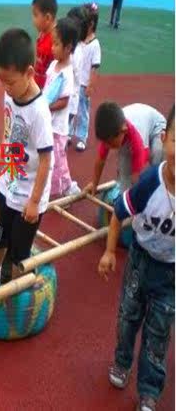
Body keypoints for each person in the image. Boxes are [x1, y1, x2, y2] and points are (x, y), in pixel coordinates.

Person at [98, 105, 174, 411]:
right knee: (128, 316)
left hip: (170, 273)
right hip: (140, 259)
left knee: (159, 331)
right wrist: (108, 251)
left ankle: (149, 390)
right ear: (165, 139)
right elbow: (118, 213)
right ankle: (122, 361)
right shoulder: (150, 182)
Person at [0, 28, 54, 285]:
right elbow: (8, 127)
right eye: (1, 80)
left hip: (29, 197)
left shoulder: (39, 112)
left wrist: (34, 202)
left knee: (20, 252)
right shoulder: (10, 93)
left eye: (10, 82)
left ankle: (14, 289)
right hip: (8, 183)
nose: (6, 87)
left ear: (29, 73)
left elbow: (46, 160)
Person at [85, 102, 166, 195]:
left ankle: (162, 192)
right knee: (124, 174)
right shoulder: (110, 132)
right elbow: (101, 160)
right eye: (105, 143)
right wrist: (94, 184)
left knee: (157, 158)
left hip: (157, 128)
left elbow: (138, 171)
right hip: (133, 129)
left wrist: (137, 194)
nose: (107, 147)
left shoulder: (137, 140)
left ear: (123, 131)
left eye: (110, 143)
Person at [42, 17, 81, 197]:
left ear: (68, 48)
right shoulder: (53, 65)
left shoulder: (67, 73)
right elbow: (47, 89)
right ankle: (49, 184)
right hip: (47, 121)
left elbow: (64, 101)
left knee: (58, 158)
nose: (52, 48)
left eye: (56, 44)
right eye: (53, 43)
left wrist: (47, 107)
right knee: (48, 155)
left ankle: (66, 186)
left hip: (57, 126)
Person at [70, 2, 101, 152]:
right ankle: (68, 133)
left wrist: (90, 85)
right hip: (74, 82)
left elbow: (94, 68)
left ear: (91, 24)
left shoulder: (95, 45)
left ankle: (82, 137)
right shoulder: (79, 41)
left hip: (84, 84)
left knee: (82, 111)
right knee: (71, 108)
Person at [66, 6, 88, 143]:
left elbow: (74, 74)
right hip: (66, 99)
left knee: (59, 134)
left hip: (68, 100)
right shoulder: (72, 48)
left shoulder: (77, 51)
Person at [31, 0, 57, 90]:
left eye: (35, 15)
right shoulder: (42, 34)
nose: (33, 20)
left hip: (48, 89)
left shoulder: (56, 40)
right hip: (38, 86)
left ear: (47, 18)